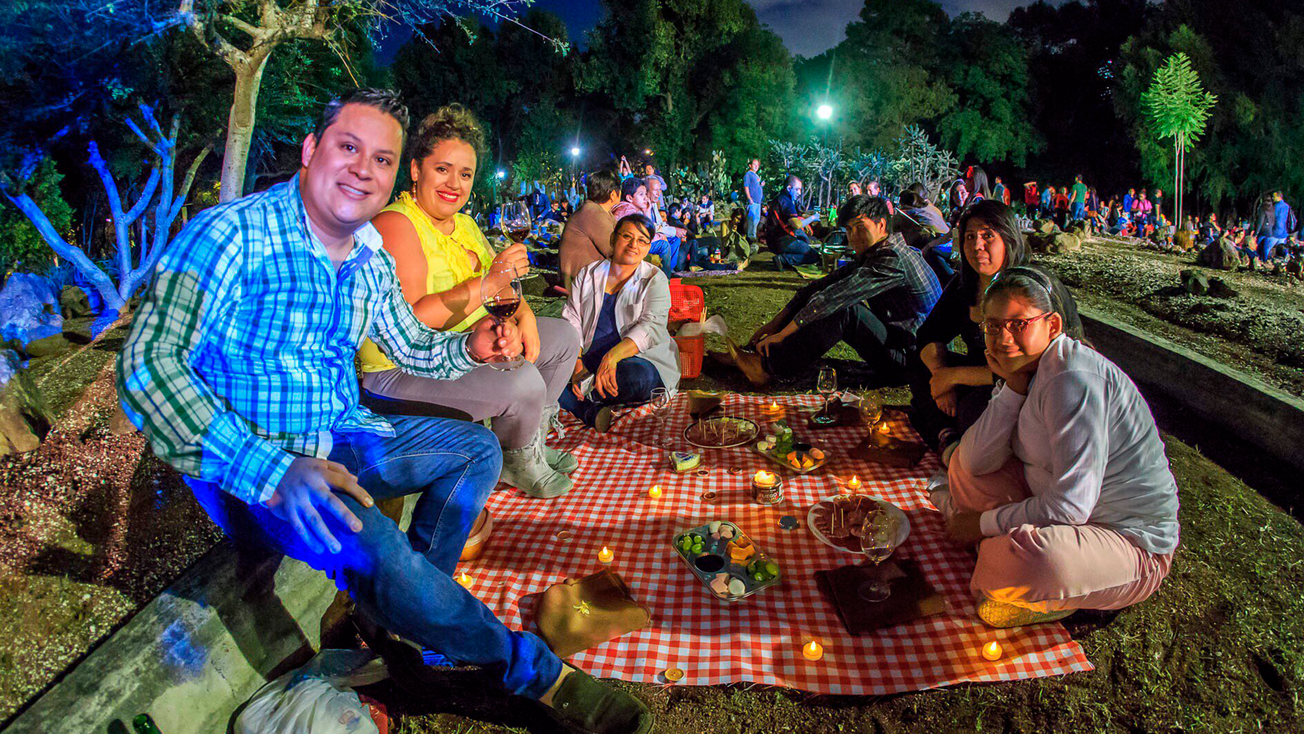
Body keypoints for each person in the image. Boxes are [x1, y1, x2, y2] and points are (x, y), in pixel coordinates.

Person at [116, 89, 652, 732]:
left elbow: (412, 342)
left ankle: (403, 622)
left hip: (341, 437)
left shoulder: (363, 254)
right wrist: (271, 471)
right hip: (257, 471)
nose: (363, 170)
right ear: (312, 150)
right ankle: (535, 674)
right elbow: (147, 366)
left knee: (475, 450)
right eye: (349, 148)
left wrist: (473, 345)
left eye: (381, 159)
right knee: (381, 550)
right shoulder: (232, 236)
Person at [933, 266, 1178, 629]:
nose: (1002, 338)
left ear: (1053, 326)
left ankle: (1024, 574)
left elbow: (1070, 506)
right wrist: (1012, 387)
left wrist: (984, 523)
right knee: (963, 470)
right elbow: (975, 460)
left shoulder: (1071, 378)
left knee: (1020, 562)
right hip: (1063, 516)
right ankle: (1006, 559)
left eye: (1019, 324)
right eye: (992, 325)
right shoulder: (1029, 370)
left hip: (1128, 541)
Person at [357, 104, 581, 499]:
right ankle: (515, 459)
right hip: (400, 370)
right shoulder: (396, 225)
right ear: (415, 170)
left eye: (465, 174)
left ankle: (530, 441)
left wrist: (524, 314)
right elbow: (412, 325)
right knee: (523, 379)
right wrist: (484, 286)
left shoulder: (464, 224)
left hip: (464, 342)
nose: (454, 184)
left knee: (563, 336)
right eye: (442, 169)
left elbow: (501, 285)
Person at [718, 195, 942, 387]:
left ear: (881, 225)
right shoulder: (877, 252)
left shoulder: (892, 258)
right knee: (822, 291)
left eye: (860, 228)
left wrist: (782, 335)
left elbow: (834, 298)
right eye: (849, 229)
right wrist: (774, 324)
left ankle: (765, 367)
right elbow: (819, 287)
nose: (853, 236)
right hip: (900, 345)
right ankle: (753, 354)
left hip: (915, 362)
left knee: (845, 310)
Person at [910, 200, 1031, 464]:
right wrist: (941, 376)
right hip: (976, 373)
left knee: (970, 410)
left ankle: (945, 432)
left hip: (1017, 385)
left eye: (988, 235)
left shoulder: (1027, 290)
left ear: (1009, 239)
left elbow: (1026, 369)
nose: (977, 245)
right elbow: (929, 334)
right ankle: (948, 439)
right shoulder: (966, 284)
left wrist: (951, 376)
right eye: (970, 236)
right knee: (919, 366)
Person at [560, 214, 680, 431]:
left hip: (633, 360)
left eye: (642, 240)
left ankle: (575, 398)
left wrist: (612, 357)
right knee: (539, 367)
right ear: (614, 239)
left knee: (636, 378)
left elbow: (651, 327)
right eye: (627, 236)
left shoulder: (654, 279)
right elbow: (572, 319)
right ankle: (588, 408)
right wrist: (577, 364)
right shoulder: (589, 274)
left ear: (648, 247)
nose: (634, 245)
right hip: (589, 359)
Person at [559, 169, 620, 291]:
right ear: (613, 194)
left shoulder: (598, 211)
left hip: (587, 277)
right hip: (580, 283)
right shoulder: (594, 213)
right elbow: (615, 252)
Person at [764, 175, 821, 269]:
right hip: (781, 240)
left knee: (804, 238)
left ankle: (786, 256)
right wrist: (813, 218)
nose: (799, 193)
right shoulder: (786, 202)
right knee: (815, 256)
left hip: (772, 239)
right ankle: (783, 259)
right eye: (797, 189)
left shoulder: (780, 198)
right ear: (789, 188)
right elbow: (797, 225)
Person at [1257, 191, 1296, 260]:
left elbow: (1275, 220)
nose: (1272, 198)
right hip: (1284, 234)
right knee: (1281, 251)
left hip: (1274, 233)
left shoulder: (1275, 207)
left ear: (1278, 197)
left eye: (1274, 196)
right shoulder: (1287, 206)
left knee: (1266, 249)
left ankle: (1265, 262)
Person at [742, 158, 763, 240]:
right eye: (754, 164)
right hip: (752, 201)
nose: (756, 166)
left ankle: (753, 235)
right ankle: (750, 237)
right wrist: (749, 198)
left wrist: (761, 185)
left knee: (756, 220)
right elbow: (746, 186)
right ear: (750, 165)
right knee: (751, 220)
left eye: (757, 165)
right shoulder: (748, 174)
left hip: (758, 201)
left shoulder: (756, 175)